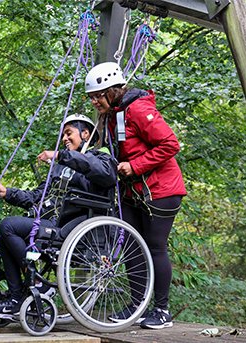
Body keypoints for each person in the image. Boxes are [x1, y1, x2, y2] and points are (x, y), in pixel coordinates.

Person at [0, 114, 118, 319]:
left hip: (73, 227)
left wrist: (62, 156)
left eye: (68, 133)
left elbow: (105, 175)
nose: (64, 138)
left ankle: (36, 284)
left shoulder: (100, 158)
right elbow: (37, 196)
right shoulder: (59, 167)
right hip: (50, 223)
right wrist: (7, 193)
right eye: (63, 134)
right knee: (6, 234)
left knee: (9, 226)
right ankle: (17, 297)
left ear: (86, 134)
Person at [84, 62, 186, 329]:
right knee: (131, 244)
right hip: (134, 191)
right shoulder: (111, 116)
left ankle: (161, 310)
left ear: (114, 90)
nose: (95, 101)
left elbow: (170, 144)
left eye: (98, 95)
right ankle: (138, 303)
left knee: (154, 246)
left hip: (161, 190)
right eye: (91, 97)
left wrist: (135, 165)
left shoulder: (138, 109)